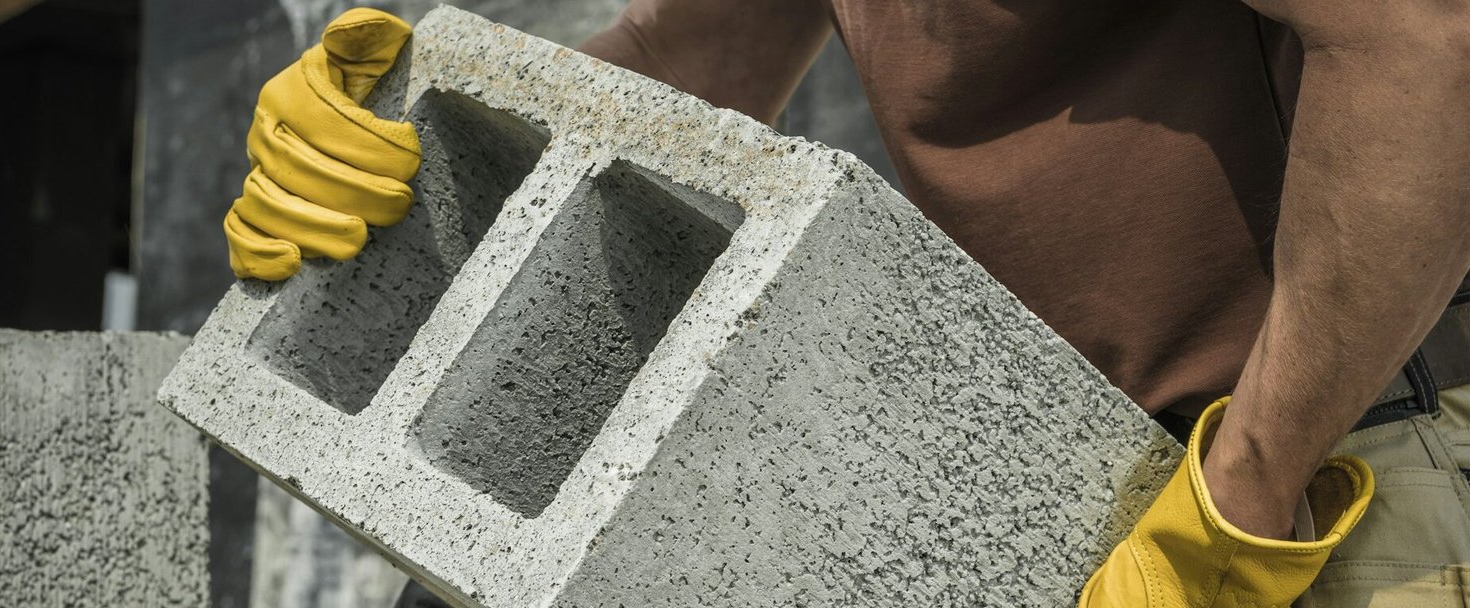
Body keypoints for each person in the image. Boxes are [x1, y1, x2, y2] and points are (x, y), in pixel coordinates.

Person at [224, 2, 1470, 606]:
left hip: (1332, 473)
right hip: (1082, 497)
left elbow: (1419, 41)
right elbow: (690, 63)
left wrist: (1241, 508)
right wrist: (420, 126)